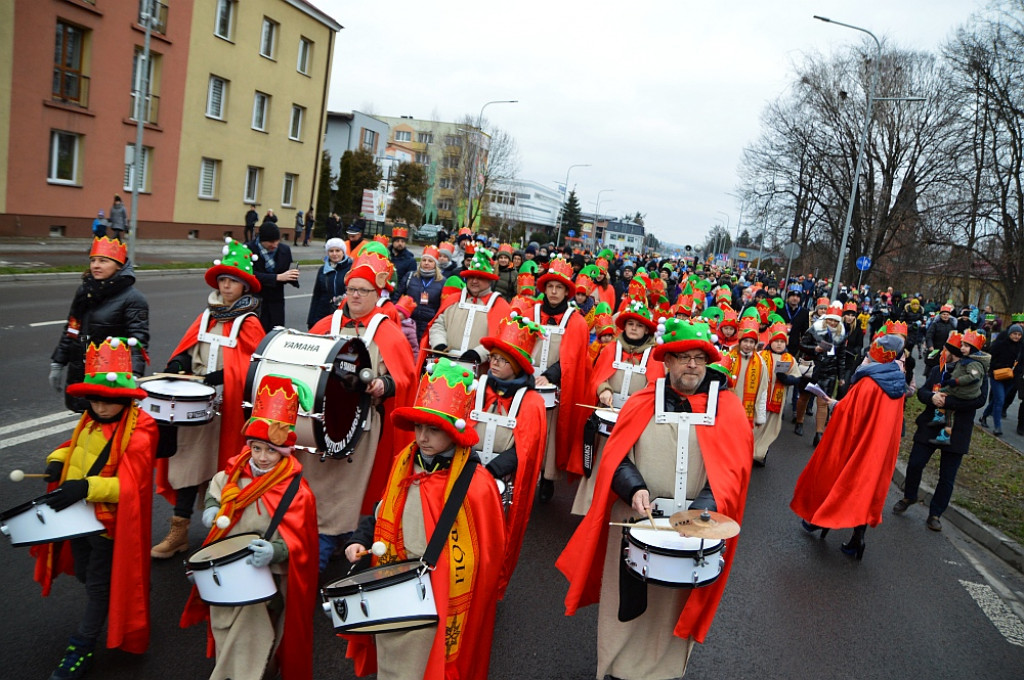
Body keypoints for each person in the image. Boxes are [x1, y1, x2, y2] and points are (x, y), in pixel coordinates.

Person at [556, 319, 752, 680]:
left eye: (698, 357)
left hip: (694, 527)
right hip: (636, 521)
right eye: (682, 357)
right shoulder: (643, 400)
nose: (691, 364)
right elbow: (615, 457)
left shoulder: (728, 409)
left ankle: (664, 672)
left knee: (673, 605)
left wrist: (703, 510)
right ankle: (616, 667)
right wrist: (633, 487)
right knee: (626, 600)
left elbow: (732, 473)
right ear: (667, 362)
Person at [343, 358, 506, 680]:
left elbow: (487, 556)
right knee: (392, 657)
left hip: (436, 590)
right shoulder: (404, 463)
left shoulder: (476, 484)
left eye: (434, 429)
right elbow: (382, 508)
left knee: (425, 664)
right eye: (419, 427)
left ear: (454, 433)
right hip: (393, 578)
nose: (423, 437)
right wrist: (360, 538)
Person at [31, 337, 158, 679]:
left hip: (108, 525)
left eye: (109, 401)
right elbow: (73, 447)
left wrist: (86, 487)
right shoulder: (89, 419)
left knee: (99, 586)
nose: (101, 407)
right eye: (95, 399)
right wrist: (58, 461)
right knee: (89, 577)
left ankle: (82, 646)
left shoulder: (140, 430)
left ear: (125, 397)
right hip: (77, 519)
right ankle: (125, 597)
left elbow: (133, 487)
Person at [180, 375, 318, 680]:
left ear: (285, 452)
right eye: (257, 449)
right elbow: (217, 491)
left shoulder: (298, 491)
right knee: (224, 626)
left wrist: (276, 550)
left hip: (267, 578)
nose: (263, 457)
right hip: (229, 568)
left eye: (271, 451)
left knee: (258, 638)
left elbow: (302, 542)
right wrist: (212, 508)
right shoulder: (232, 473)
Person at [152, 240, 265, 559]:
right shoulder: (206, 317)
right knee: (187, 468)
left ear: (244, 286)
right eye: (223, 280)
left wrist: (216, 379)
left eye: (233, 281)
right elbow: (187, 351)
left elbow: (255, 367)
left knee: (226, 471)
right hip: (196, 409)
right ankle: (179, 532)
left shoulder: (250, 322)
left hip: (229, 412)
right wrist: (177, 366)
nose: (226, 285)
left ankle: (226, 532)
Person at [307, 250, 416, 570]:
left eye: (363, 290)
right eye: (351, 289)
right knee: (319, 484)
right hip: (320, 423)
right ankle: (318, 539)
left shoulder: (387, 331)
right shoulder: (327, 324)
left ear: (377, 294)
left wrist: (384, 384)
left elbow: (404, 375)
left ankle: (334, 545)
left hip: (361, 427)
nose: (355, 295)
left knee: (349, 487)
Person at [790, 334, 907, 559]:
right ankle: (857, 539)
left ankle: (820, 519)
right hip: (879, 447)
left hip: (857, 443)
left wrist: (834, 404)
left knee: (835, 477)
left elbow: (851, 414)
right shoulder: (897, 382)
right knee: (866, 489)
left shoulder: (869, 383)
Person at [474, 316, 548, 598]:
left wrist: (492, 470)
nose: (493, 364)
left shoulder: (532, 402)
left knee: (494, 535)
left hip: (502, 479)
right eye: (492, 357)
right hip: (468, 472)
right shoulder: (476, 388)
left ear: (517, 365)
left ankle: (487, 586)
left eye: (502, 360)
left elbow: (526, 450)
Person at [573, 298, 663, 515]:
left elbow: (655, 387)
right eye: (631, 324)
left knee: (625, 465)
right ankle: (590, 507)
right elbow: (597, 377)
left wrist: (636, 406)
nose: (634, 328)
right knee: (601, 462)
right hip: (607, 417)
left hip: (635, 422)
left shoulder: (654, 356)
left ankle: (615, 507)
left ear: (646, 330)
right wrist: (603, 389)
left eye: (639, 325)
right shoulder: (611, 348)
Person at [896, 329, 990, 532]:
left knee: (947, 477)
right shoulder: (939, 369)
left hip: (957, 430)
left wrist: (950, 401)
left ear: (954, 351)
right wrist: (932, 397)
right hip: (931, 424)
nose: (942, 352)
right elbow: (923, 391)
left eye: (946, 348)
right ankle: (909, 496)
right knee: (915, 463)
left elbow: (980, 400)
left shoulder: (978, 370)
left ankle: (935, 514)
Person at [50, 237, 149, 413]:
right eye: (93, 260)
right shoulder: (85, 291)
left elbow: (137, 340)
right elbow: (72, 328)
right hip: (80, 371)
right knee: (86, 428)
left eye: (103, 261)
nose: (95, 265)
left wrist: (133, 375)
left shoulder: (133, 299)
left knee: (105, 423)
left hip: (109, 376)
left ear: (119, 265)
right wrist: (58, 362)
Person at [530, 257, 591, 502]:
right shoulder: (530, 313)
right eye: (550, 287)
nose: (554, 292)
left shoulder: (575, 321)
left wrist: (550, 375)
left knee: (551, 435)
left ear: (567, 292)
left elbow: (574, 356)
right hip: (527, 382)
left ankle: (547, 478)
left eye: (559, 288)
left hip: (557, 387)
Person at [424, 248, 511, 371]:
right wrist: (439, 345)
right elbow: (439, 324)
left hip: (481, 370)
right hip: (445, 364)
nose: (474, 281)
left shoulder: (500, 306)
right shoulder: (453, 300)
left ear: (489, 280)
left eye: (479, 277)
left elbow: (501, 338)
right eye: (471, 277)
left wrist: (478, 353)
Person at [794, 302, 847, 446]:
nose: (832, 322)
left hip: (829, 372)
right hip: (811, 368)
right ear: (825, 318)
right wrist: (815, 349)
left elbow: (842, 356)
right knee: (804, 397)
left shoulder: (841, 334)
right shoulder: (814, 330)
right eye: (830, 319)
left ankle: (819, 433)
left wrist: (841, 377)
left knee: (823, 403)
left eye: (835, 321)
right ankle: (799, 421)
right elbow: (802, 345)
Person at [928, 330, 988, 446]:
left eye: (966, 346)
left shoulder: (974, 363)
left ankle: (939, 416)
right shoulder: (943, 367)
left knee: (943, 394)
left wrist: (955, 381)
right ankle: (944, 433)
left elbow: (973, 378)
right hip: (958, 391)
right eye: (962, 346)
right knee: (948, 413)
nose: (962, 348)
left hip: (963, 393)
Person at [755, 322, 802, 466]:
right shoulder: (761, 355)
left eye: (782, 342)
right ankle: (751, 451)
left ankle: (761, 453)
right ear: (771, 341)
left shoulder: (789, 359)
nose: (779, 345)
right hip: (760, 398)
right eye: (776, 341)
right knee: (755, 427)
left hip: (777, 401)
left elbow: (797, 377)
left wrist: (786, 379)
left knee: (769, 429)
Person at [247, 222, 299, 333]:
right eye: (271, 242)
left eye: (277, 241)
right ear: (262, 240)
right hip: (256, 301)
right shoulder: (248, 250)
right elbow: (249, 274)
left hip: (276, 302)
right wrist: (276, 277)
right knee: (257, 334)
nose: (275, 245)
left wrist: (291, 276)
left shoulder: (284, 250)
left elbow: (284, 272)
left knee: (276, 334)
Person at [979, 323, 1022, 436]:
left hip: (1011, 379)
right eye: (1014, 334)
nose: (1016, 336)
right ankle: (997, 427)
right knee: (1000, 400)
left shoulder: (1021, 347)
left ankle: (984, 416)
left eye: (1019, 334)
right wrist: (996, 368)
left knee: (997, 400)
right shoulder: (1000, 344)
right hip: (997, 376)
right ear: (1009, 334)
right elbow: (991, 358)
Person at [395, 245, 444, 340]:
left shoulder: (442, 282)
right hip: (408, 322)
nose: (426, 263)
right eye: (424, 260)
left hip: (429, 325)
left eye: (430, 261)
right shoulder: (410, 276)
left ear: (435, 264)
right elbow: (397, 295)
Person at [305, 238, 351, 329]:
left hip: (344, 313)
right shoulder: (323, 270)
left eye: (337, 250)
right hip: (323, 312)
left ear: (343, 252)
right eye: (331, 251)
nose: (334, 254)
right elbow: (317, 296)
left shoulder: (351, 268)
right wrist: (312, 320)